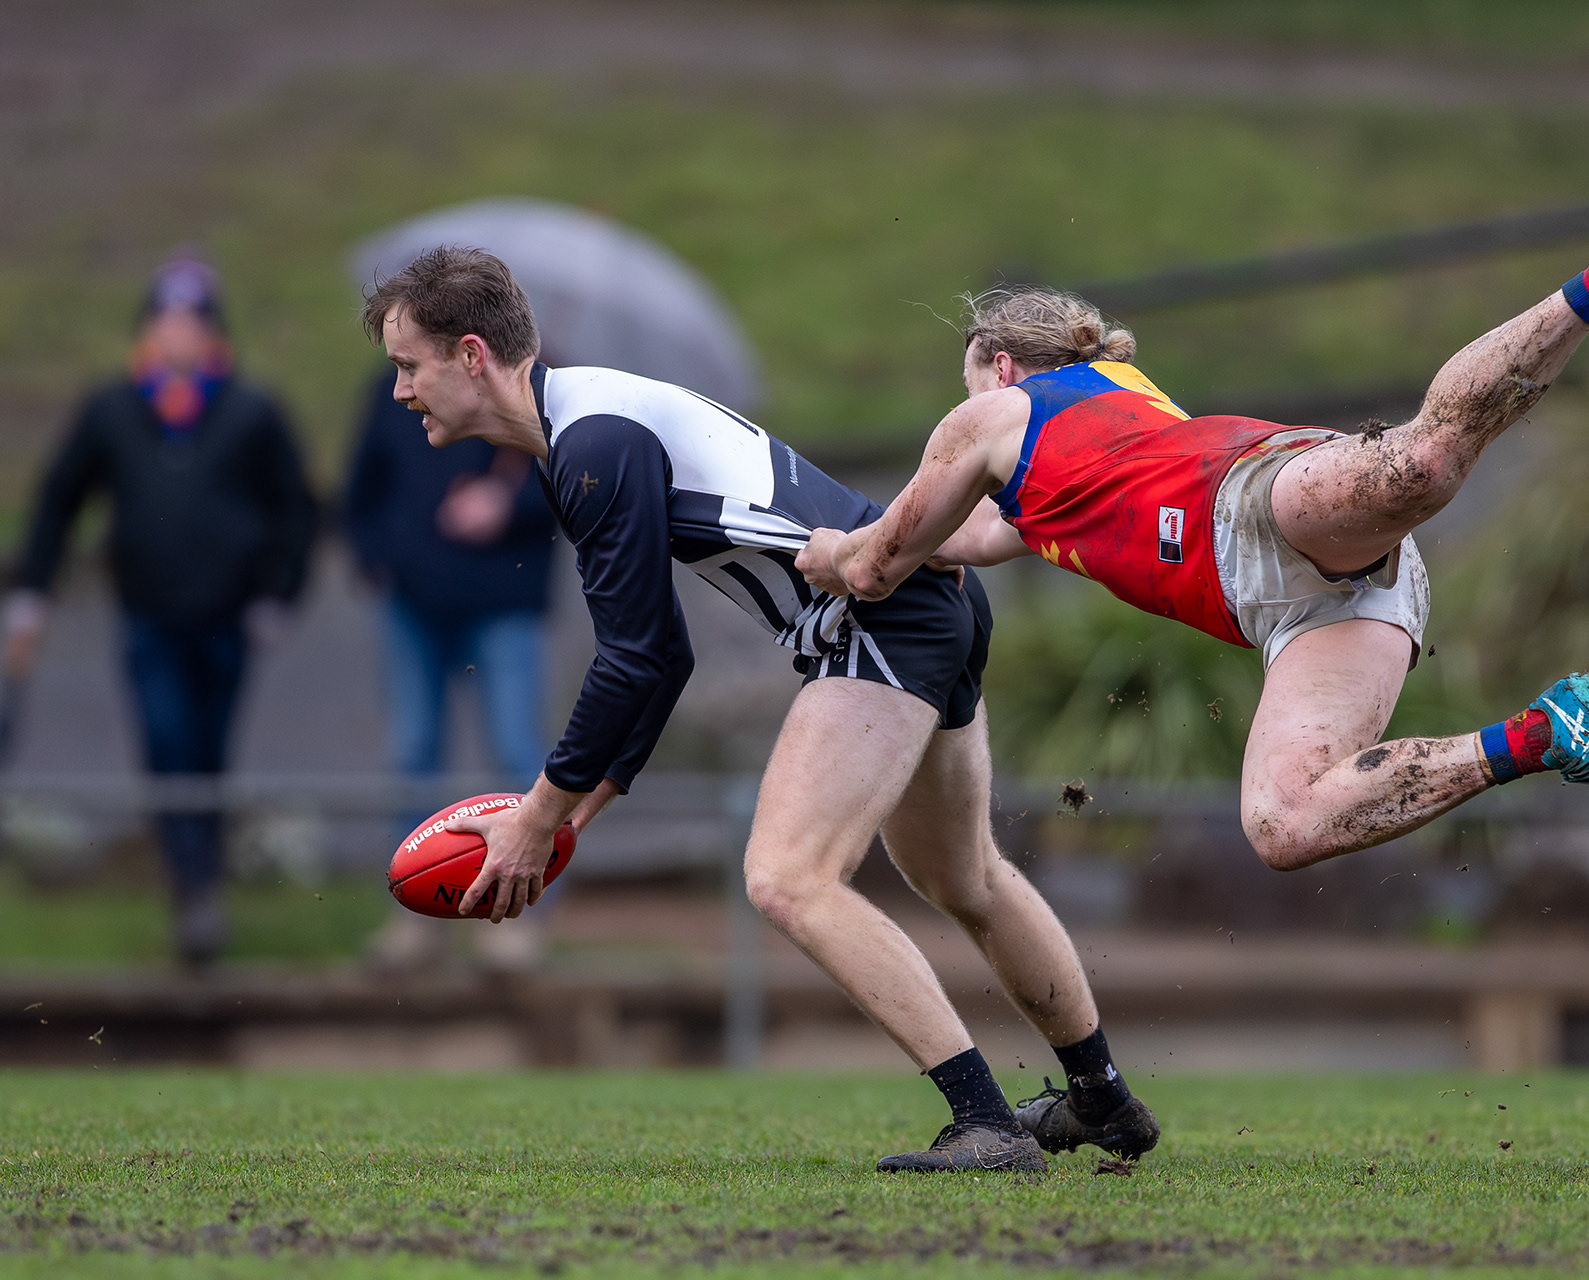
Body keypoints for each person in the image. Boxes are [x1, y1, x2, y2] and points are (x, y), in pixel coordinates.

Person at [361, 246, 1158, 1172]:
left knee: (789, 878)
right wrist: (586, 806)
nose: (400, 392)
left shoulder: (592, 444)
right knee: (963, 875)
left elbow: (631, 660)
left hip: (880, 619)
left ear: (470, 355)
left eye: (408, 366)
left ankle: (985, 1122)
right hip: (927, 608)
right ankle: (1103, 1100)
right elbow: (660, 657)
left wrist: (538, 817)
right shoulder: (578, 427)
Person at [799, 166, 1589, 890]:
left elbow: (877, 565)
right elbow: (950, 541)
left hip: (1249, 501)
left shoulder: (998, 415)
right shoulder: (1039, 494)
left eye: (966, 385)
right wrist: (864, 545)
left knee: (1422, 465)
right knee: (1284, 824)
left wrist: (828, 552)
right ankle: (1545, 734)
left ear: (998, 369)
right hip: (1295, 612)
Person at [5, 254, 316, 966]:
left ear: (211, 333)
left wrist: (279, 592)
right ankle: (193, 887)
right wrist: (33, 592)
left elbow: (296, 507)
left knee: (208, 749)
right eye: (166, 321)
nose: (178, 334)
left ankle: (204, 876)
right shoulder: (113, 409)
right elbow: (59, 500)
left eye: (191, 322)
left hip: (228, 615)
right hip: (148, 613)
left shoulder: (252, 409)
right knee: (166, 740)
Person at [345, 365, 560, 971]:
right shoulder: (395, 389)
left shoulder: (532, 385)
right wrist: (377, 557)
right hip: (414, 601)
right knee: (412, 753)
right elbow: (365, 481)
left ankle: (518, 916)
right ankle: (415, 915)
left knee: (518, 755)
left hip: (504, 600)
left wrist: (508, 502)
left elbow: (573, 483)